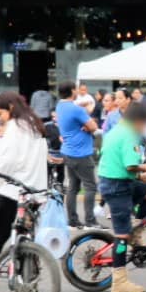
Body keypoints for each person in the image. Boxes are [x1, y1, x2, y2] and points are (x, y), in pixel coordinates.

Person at [0, 93, 49, 278]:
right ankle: (28, 287)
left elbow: (7, 160)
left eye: (0, 113)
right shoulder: (34, 125)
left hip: (11, 191)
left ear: (10, 107)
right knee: (26, 242)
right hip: (34, 192)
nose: (0, 118)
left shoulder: (15, 127)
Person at [95, 100, 146, 292]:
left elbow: (118, 161)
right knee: (121, 235)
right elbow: (130, 165)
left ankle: (136, 230)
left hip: (120, 181)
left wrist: (140, 176)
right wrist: (145, 168)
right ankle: (119, 281)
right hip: (117, 186)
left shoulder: (116, 130)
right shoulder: (129, 134)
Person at [53, 82, 101, 230]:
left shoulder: (60, 107)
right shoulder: (76, 109)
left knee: (73, 186)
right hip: (81, 152)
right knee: (90, 186)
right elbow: (93, 127)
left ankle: (73, 220)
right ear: (72, 91)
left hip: (68, 151)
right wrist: (87, 125)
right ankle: (90, 221)